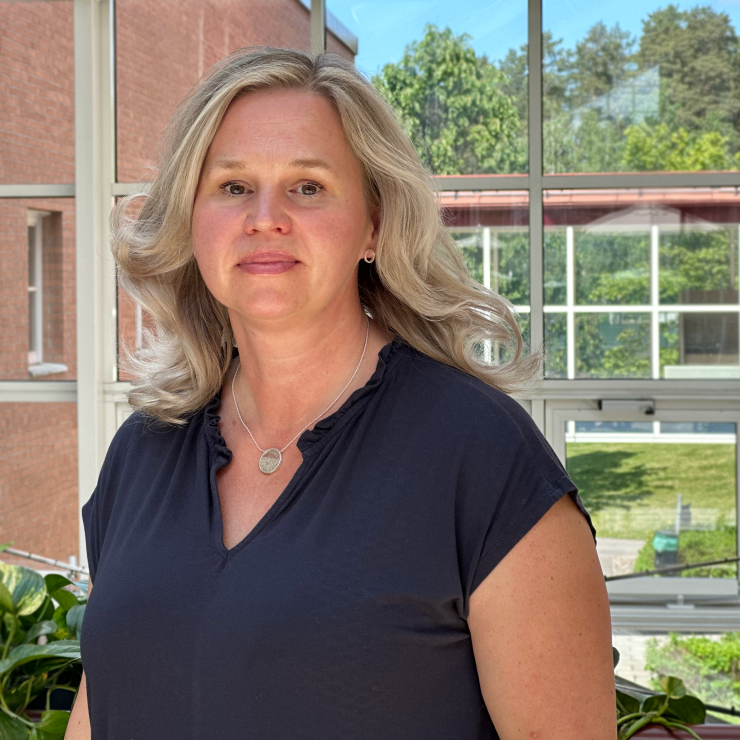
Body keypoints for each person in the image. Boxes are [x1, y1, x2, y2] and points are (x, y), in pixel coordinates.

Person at [66, 48, 615, 740]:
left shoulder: (481, 457)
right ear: (190, 222)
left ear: (375, 225)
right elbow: (102, 711)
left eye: (308, 187)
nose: (265, 217)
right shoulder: (143, 454)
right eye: (233, 187)